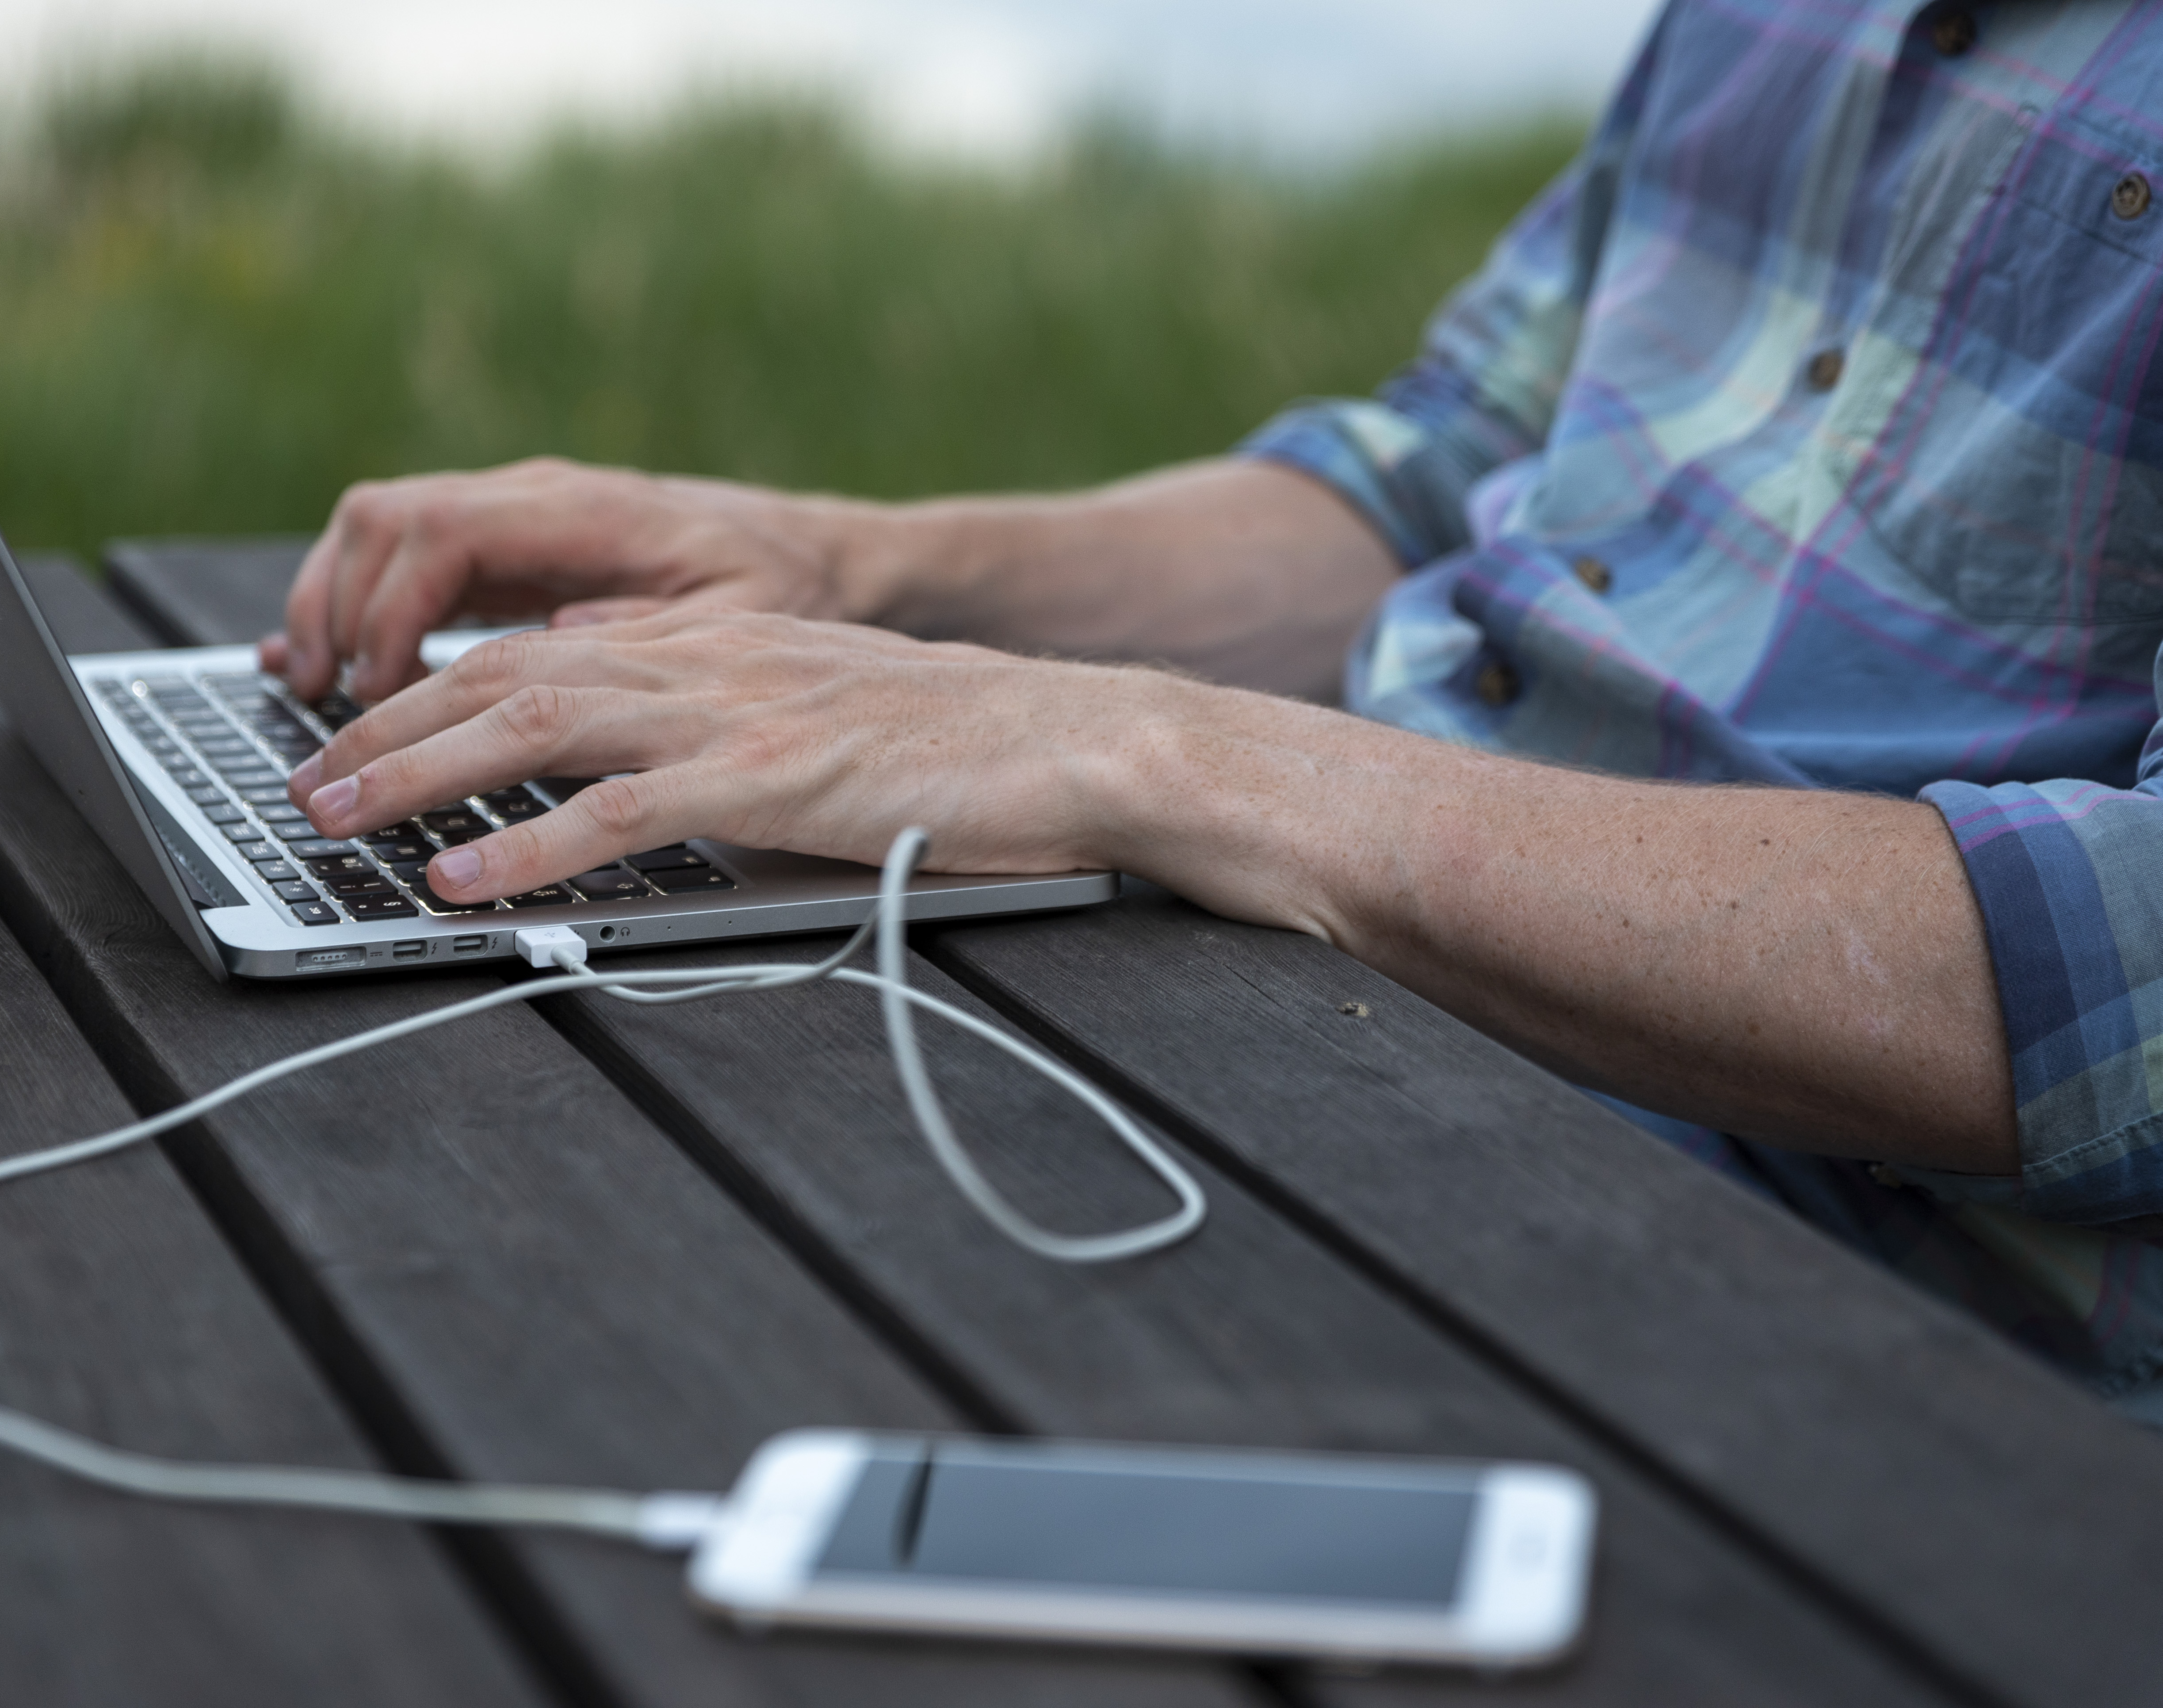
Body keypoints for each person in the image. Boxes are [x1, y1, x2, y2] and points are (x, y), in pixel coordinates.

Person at [269, 0, 2163, 1414]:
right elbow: (1449, 473)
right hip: (1324, 998)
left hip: (1804, 1312)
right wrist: (853, 564)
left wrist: (1153, 750)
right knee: (449, 1177)